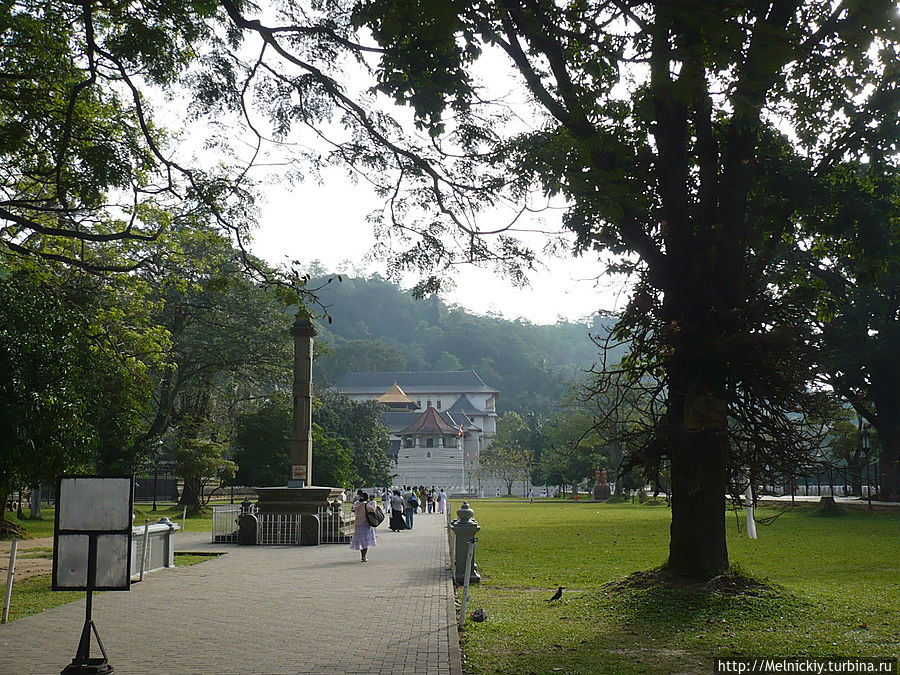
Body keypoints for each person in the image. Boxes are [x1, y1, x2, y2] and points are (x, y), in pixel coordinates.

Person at [349, 491, 377, 562]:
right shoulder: (366, 505)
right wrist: (373, 502)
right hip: (365, 523)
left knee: (361, 540)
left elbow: (353, 509)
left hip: (358, 523)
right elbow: (373, 509)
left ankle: (362, 555)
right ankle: (364, 556)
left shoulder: (356, 504)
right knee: (365, 540)